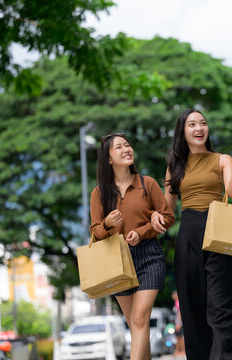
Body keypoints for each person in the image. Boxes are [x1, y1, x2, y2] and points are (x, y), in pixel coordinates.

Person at [152, 109, 232, 360]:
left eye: (203, 123)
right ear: (182, 132)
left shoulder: (222, 159)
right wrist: (156, 217)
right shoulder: (175, 166)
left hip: (219, 233)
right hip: (188, 237)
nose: (199, 128)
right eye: (192, 124)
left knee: (220, 307)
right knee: (192, 309)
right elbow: (168, 211)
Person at [90, 132, 175, 360]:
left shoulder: (148, 184)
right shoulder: (99, 193)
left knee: (139, 320)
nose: (126, 149)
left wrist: (143, 231)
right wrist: (108, 224)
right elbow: (95, 233)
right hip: (117, 262)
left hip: (149, 256)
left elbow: (168, 216)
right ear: (108, 159)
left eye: (127, 145)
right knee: (137, 326)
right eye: (118, 147)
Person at [171, 290, 185, 357]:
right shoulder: (176, 303)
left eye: (173, 295)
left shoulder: (178, 302)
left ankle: (182, 351)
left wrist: (178, 323)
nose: (172, 296)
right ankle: (179, 351)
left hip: (179, 323)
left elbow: (179, 313)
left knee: (180, 338)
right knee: (178, 337)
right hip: (178, 323)